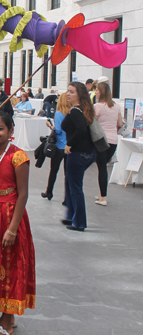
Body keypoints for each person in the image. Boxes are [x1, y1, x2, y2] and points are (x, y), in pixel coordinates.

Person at [0, 112, 35, 335]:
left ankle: (7, 324)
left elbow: (23, 195)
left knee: (10, 267)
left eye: (0, 128)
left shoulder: (18, 157)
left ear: (11, 131)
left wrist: (12, 229)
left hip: (9, 217)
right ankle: (7, 317)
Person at [61, 81, 96, 231]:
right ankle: (72, 216)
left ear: (79, 95)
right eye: (68, 91)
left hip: (77, 153)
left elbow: (81, 130)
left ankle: (79, 222)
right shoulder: (84, 109)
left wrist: (69, 144)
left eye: (72, 92)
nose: (68, 94)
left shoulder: (76, 111)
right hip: (87, 152)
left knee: (75, 187)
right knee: (70, 183)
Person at [93, 82, 123, 206]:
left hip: (101, 140)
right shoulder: (116, 106)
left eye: (97, 90)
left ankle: (103, 197)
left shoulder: (98, 106)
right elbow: (120, 123)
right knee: (103, 166)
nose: (96, 93)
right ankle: (101, 194)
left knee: (101, 168)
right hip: (113, 140)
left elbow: (92, 122)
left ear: (102, 92)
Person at [42, 93, 69, 200]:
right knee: (67, 173)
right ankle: (67, 196)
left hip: (59, 146)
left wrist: (50, 125)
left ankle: (49, 192)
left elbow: (57, 130)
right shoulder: (71, 113)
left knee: (53, 170)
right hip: (68, 145)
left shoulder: (59, 113)